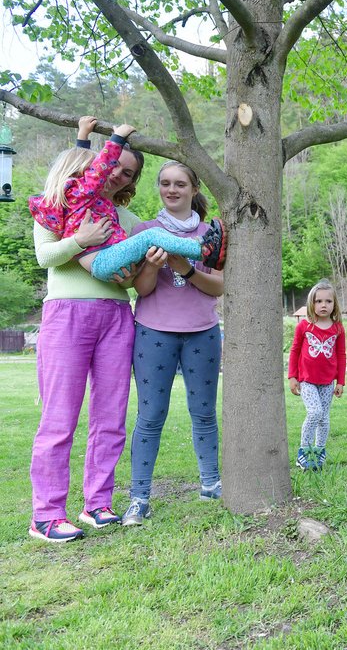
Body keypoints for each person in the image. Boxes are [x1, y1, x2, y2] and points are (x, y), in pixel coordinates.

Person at [28, 125, 145, 542]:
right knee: (59, 420)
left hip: (116, 316)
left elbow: (131, 280)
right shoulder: (56, 205)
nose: (118, 174)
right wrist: (80, 239)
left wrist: (136, 268)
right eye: (114, 165)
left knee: (111, 417)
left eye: (128, 173)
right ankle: (46, 515)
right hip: (66, 316)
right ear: (100, 164)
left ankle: (97, 503)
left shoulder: (127, 219)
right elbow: (46, 257)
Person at [121, 161, 226, 526]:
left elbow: (220, 286)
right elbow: (142, 289)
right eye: (165, 183)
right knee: (150, 416)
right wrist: (151, 266)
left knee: (204, 413)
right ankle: (139, 498)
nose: (172, 189)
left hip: (203, 331)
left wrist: (186, 268)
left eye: (180, 183)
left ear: (194, 189)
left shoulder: (211, 233)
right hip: (154, 332)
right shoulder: (144, 231)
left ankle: (211, 484)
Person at [28, 117, 227, 280]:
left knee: (149, 238)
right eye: (112, 165)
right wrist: (117, 138)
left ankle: (202, 247)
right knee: (152, 235)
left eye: (127, 172)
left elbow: (79, 163)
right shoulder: (78, 194)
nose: (112, 173)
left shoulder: (76, 198)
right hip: (101, 261)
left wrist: (83, 136)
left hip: (106, 264)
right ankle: (202, 249)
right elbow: (95, 169)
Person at [287, 280, 346, 472]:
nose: (323, 305)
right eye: (319, 301)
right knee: (314, 413)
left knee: (324, 418)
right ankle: (303, 452)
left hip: (328, 383)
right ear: (311, 303)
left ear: (334, 304)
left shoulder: (338, 328)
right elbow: (295, 351)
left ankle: (319, 453)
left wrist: (341, 382)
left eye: (328, 301)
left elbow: (341, 354)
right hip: (307, 381)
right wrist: (292, 377)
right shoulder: (304, 326)